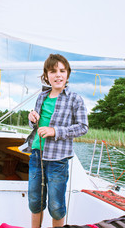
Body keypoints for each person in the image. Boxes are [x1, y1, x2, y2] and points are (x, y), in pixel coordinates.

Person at [27, 54, 88, 228]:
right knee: (34, 200)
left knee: (56, 205)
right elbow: (36, 124)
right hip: (36, 154)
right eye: (53, 71)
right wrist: (32, 118)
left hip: (58, 160)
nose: (58, 75)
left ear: (68, 74)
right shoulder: (41, 97)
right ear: (46, 75)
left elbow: (83, 127)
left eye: (62, 71)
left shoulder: (75, 99)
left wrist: (55, 131)